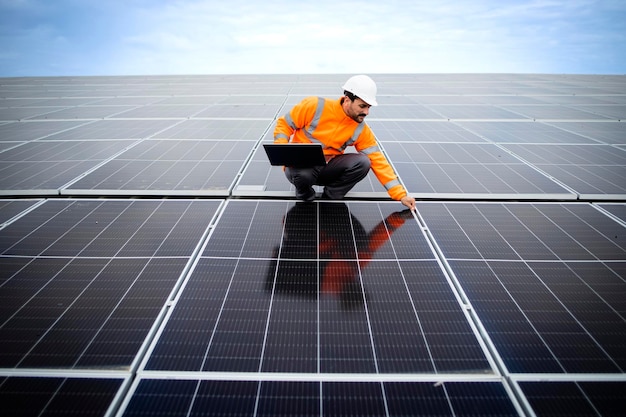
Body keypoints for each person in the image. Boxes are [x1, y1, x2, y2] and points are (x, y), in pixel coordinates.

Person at [273, 75, 416, 211]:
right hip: (301, 168)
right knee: (303, 176)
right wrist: (282, 148)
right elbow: (284, 124)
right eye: (362, 106)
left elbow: (378, 160)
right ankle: (305, 196)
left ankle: (331, 197)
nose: (366, 112)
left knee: (363, 162)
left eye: (368, 107)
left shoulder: (360, 129)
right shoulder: (315, 106)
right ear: (347, 100)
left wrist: (400, 194)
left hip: (327, 169)